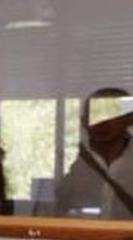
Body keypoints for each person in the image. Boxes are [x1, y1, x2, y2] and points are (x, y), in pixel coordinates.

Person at [55, 87, 133, 220]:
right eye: (94, 114)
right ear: (84, 121)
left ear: (130, 118)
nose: (101, 122)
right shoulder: (72, 165)